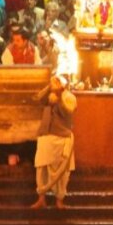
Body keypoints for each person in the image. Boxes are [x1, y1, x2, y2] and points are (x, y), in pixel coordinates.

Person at [30, 76, 77, 209]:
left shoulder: (70, 97)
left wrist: (59, 96)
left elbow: (68, 112)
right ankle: (41, 198)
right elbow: (38, 99)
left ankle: (59, 200)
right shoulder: (49, 94)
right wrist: (50, 87)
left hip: (62, 137)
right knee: (41, 168)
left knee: (61, 172)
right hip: (45, 136)